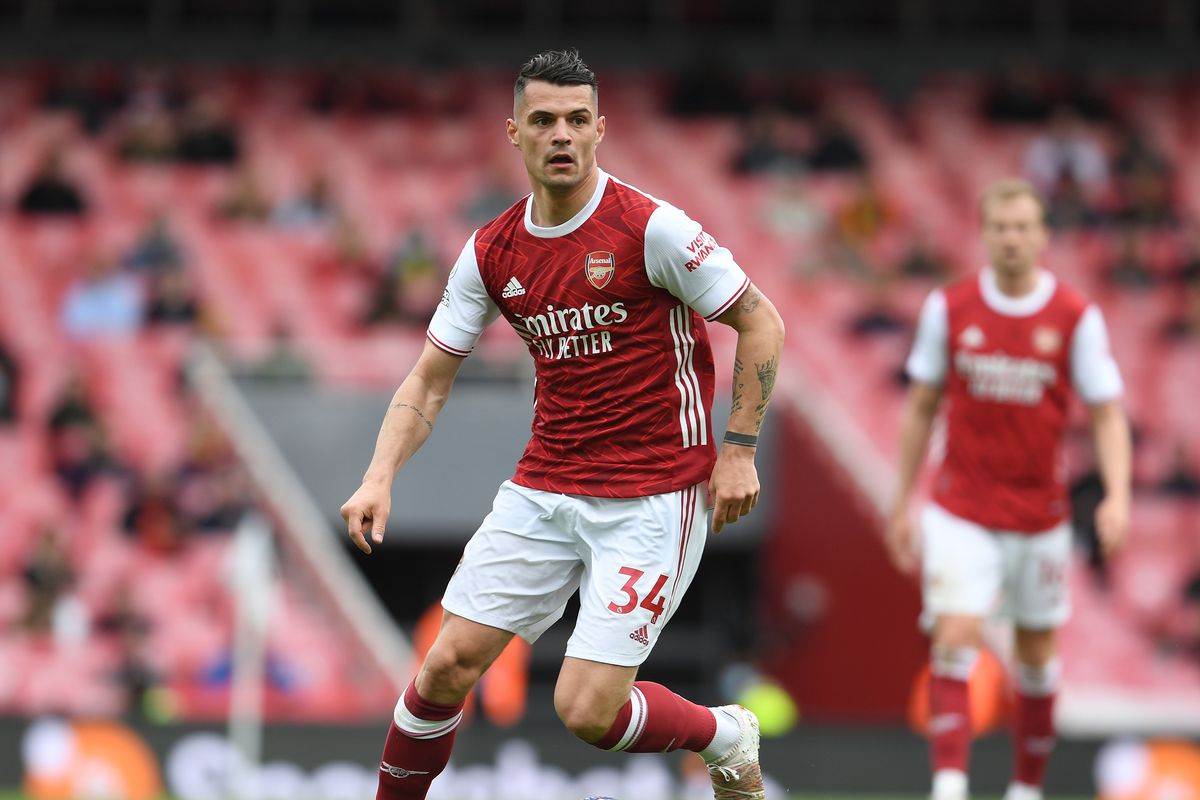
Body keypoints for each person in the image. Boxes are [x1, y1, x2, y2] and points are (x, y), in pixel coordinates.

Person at [339, 50, 785, 800]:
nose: (562, 135)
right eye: (543, 120)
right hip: (546, 485)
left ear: (600, 129)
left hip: (654, 494)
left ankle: (725, 735)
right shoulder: (490, 251)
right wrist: (378, 476)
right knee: (444, 667)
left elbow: (761, 322)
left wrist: (738, 449)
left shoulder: (651, 229)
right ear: (514, 131)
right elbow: (428, 379)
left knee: (585, 711)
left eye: (578, 120)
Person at [886, 179, 1131, 800]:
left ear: (1043, 235)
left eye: (1023, 227)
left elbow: (1106, 413)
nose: (1012, 238)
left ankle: (1026, 788)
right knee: (954, 634)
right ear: (984, 233)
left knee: (1036, 653)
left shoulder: (1074, 316)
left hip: (1039, 515)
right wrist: (901, 501)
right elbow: (921, 406)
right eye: (1001, 227)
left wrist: (1118, 496)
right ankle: (949, 785)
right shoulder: (950, 308)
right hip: (961, 507)